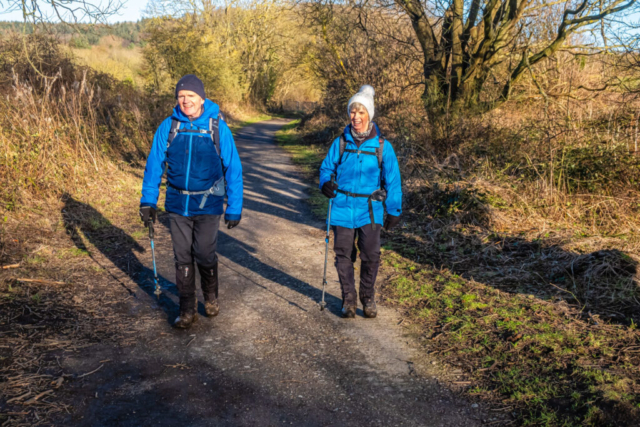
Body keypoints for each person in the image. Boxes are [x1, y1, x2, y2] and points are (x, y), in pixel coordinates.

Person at [139, 74, 243, 329]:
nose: (186, 101)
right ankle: (187, 309)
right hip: (177, 203)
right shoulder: (169, 126)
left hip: (208, 204)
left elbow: (233, 168)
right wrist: (148, 201)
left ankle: (210, 297)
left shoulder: (217, 126)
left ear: (202, 98)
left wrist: (234, 207)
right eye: (181, 97)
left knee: (205, 255)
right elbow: (154, 165)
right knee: (182, 257)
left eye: (191, 96)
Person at [319, 85, 402, 319]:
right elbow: (326, 169)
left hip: (370, 210)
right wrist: (325, 183)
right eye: (352, 112)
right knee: (343, 254)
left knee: (371, 255)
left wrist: (394, 210)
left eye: (361, 112)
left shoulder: (382, 146)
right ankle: (348, 299)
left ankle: (367, 297)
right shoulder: (341, 143)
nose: (355, 117)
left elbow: (393, 180)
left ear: (369, 115)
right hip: (342, 207)